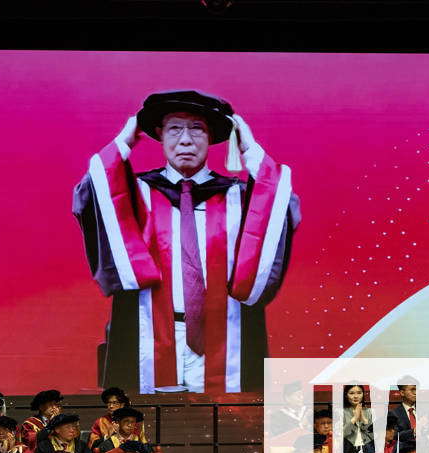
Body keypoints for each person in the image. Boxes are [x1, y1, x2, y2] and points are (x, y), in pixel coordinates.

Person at [73, 90, 301, 393]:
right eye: (175, 128)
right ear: (159, 134)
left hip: (228, 334)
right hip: (147, 332)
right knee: (146, 427)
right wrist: (124, 142)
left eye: (197, 129)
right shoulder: (134, 194)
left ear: (211, 138)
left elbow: (284, 209)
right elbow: (88, 198)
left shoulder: (240, 196)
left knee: (228, 426)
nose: (185, 140)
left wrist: (251, 150)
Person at [342, 385, 374, 453]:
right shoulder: (341, 412)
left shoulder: (370, 411)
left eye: (359, 393)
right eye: (351, 393)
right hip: (349, 451)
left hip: (368, 451)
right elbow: (342, 434)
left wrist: (363, 418)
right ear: (346, 395)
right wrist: (354, 419)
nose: (356, 396)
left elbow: (372, 435)